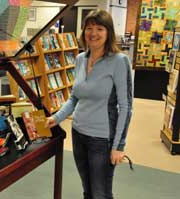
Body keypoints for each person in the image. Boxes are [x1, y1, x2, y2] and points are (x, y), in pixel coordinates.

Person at [45, 9, 133, 199]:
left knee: (101, 193)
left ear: (108, 32)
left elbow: (126, 107)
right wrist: (56, 117)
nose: (93, 33)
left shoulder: (119, 61)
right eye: (89, 28)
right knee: (87, 189)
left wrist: (119, 145)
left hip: (101, 139)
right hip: (78, 134)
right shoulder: (79, 59)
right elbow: (74, 98)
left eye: (99, 28)